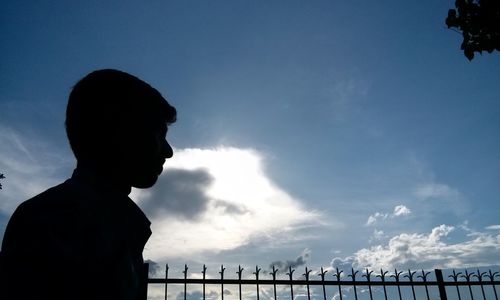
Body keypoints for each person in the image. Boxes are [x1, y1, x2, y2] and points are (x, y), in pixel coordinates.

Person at [0, 69, 176, 300]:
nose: (168, 151)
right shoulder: (57, 219)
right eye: (158, 133)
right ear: (121, 129)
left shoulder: (107, 220)